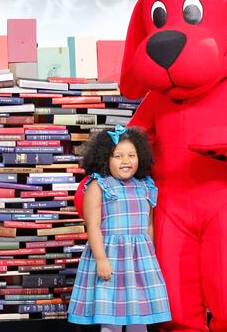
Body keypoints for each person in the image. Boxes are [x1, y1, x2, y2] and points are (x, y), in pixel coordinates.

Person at [68, 125, 171, 332]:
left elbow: (148, 224)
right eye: (118, 156)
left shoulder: (145, 186)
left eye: (132, 155)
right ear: (105, 158)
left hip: (139, 259)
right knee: (111, 313)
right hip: (111, 257)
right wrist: (101, 259)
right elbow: (93, 226)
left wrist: (151, 255)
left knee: (139, 313)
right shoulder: (99, 186)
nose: (126, 161)